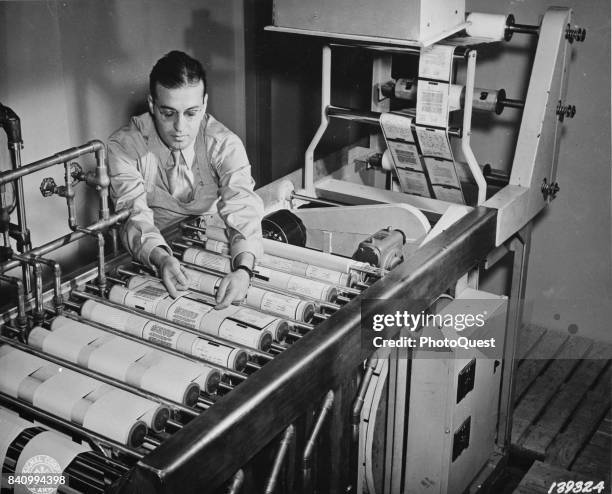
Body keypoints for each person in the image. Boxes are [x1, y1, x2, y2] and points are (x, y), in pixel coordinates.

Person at [108, 50, 263, 309]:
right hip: (152, 250)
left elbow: (242, 206)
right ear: (151, 104)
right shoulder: (124, 146)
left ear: (204, 103)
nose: (180, 128)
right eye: (168, 113)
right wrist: (161, 259)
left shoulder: (224, 144)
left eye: (192, 113)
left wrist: (244, 270)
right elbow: (133, 213)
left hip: (216, 240)